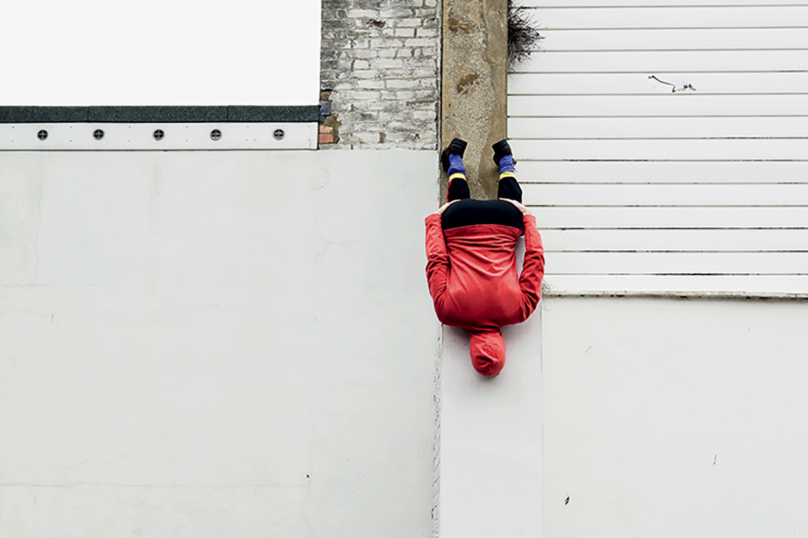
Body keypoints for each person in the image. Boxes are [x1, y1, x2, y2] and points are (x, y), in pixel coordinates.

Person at [425, 138, 544, 377]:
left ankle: (505, 159)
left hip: (503, 222)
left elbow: (535, 259)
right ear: (471, 348)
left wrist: (528, 221)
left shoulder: (520, 311)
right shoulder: (447, 313)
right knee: (458, 202)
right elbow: (437, 261)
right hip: (461, 221)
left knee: (512, 203)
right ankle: (455, 160)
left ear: (502, 345)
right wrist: (434, 223)